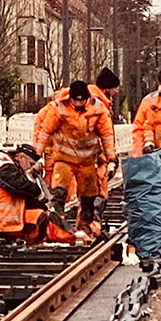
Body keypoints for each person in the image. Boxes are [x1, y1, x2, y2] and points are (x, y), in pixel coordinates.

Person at [36, 80, 116, 236]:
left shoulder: (98, 109)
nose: (78, 103)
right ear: (70, 98)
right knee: (59, 191)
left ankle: (84, 227)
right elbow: (45, 132)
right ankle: (56, 223)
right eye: (75, 100)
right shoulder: (59, 108)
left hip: (87, 162)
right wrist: (37, 155)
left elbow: (106, 135)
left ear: (87, 98)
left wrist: (111, 158)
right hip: (64, 159)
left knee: (88, 197)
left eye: (81, 100)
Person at [0, 144, 76, 245]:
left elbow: (23, 197)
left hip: (5, 219)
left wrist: (42, 205)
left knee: (45, 214)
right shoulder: (5, 168)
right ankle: (36, 243)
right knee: (40, 217)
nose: (30, 167)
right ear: (21, 158)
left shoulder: (11, 169)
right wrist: (37, 191)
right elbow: (19, 187)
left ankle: (70, 236)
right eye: (30, 163)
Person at [90, 67, 121, 228]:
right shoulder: (96, 104)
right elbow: (103, 135)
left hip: (93, 157)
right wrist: (110, 157)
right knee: (96, 193)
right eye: (115, 88)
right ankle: (92, 227)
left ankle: (92, 226)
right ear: (107, 88)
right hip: (94, 158)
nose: (116, 92)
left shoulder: (97, 101)